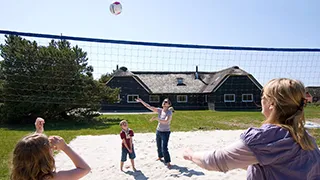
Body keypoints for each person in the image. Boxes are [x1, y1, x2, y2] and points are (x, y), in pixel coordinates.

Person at [183, 78, 320, 180]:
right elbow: (280, 166)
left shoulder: (267, 138)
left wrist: (191, 155)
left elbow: (216, 161)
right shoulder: (307, 139)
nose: (261, 100)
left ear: (272, 103)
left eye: (263, 97)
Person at [10, 117, 91, 180]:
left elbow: (30, 151)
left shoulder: (18, 176)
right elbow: (84, 169)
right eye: (49, 148)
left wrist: (38, 133)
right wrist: (65, 147)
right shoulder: (54, 178)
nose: (51, 148)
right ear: (45, 159)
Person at [136, 98, 173, 168]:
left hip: (165, 132)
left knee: (164, 147)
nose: (164, 102)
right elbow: (149, 107)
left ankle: (168, 162)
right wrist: (141, 101)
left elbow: (166, 121)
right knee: (158, 146)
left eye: (166, 102)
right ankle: (160, 156)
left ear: (169, 104)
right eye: (164, 101)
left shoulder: (169, 112)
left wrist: (156, 119)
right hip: (158, 130)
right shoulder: (160, 110)